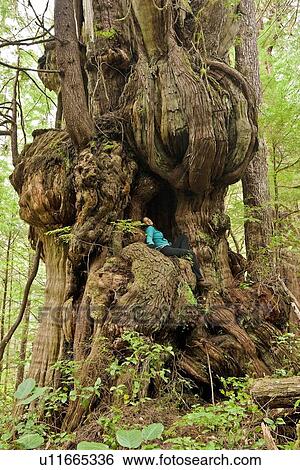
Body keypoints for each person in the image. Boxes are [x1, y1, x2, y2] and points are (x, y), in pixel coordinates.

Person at [142, 217, 210, 288]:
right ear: (144, 224)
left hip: (168, 246)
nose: (148, 221)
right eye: (146, 221)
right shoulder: (150, 228)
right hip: (164, 249)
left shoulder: (154, 229)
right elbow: (149, 238)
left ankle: (184, 256)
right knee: (191, 253)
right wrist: (152, 245)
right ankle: (200, 279)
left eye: (149, 219)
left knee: (183, 237)